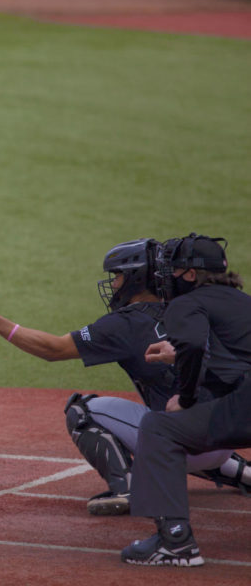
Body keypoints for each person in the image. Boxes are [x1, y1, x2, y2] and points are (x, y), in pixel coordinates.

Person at [0, 239, 249, 516]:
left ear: (135, 278)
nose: (114, 284)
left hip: (182, 441)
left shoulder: (125, 323)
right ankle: (241, 470)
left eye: (118, 276)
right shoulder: (194, 309)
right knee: (195, 410)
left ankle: (128, 488)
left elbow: (53, 349)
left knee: (82, 411)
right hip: (227, 433)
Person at [121, 234, 251, 567]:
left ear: (190, 275)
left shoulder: (187, 303)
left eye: (172, 269)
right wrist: (179, 354)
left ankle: (174, 541)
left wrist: (188, 397)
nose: (166, 277)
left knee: (159, 427)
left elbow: (193, 344)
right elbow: (230, 358)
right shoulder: (243, 302)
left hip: (245, 407)